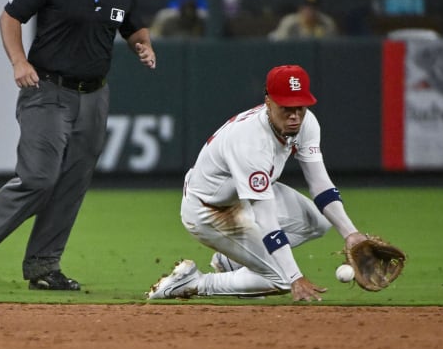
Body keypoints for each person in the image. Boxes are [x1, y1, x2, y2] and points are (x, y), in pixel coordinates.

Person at [0, 0, 156, 291]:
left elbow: (134, 28)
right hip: (47, 89)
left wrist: (141, 45)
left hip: (94, 95)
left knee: (71, 183)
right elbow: (10, 16)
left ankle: (44, 266)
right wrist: (19, 60)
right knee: (39, 178)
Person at [147, 65, 368, 302]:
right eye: (286, 108)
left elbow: (320, 184)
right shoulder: (250, 142)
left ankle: (230, 260)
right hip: (209, 210)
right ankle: (194, 282)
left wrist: (351, 234)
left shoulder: (307, 123)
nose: (295, 116)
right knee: (282, 278)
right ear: (268, 102)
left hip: (243, 196)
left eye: (300, 107)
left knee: (319, 221)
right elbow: (265, 219)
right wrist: (295, 276)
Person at [268, 0, 338, 41]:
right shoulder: (290, 22)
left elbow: (333, 46)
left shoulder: (326, 23)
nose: (310, 10)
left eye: (314, 7)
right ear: (300, 9)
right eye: (306, 7)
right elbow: (277, 41)